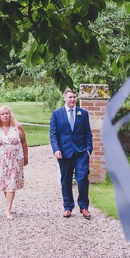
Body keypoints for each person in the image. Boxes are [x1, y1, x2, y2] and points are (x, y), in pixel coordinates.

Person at [49, 88, 93, 218]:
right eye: (70, 97)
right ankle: (68, 207)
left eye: (74, 97)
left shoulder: (83, 113)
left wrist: (88, 150)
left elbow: (88, 133)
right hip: (64, 153)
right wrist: (56, 149)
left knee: (82, 178)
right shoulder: (56, 114)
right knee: (66, 180)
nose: (73, 99)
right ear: (64, 98)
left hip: (81, 153)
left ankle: (84, 207)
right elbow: (53, 134)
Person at [0, 105, 29, 219]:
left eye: (7, 113)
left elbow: (24, 143)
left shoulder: (17, 127)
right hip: (1, 161)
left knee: (11, 183)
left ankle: (8, 210)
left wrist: (26, 157)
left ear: (10, 115)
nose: (5, 115)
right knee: (4, 184)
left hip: (15, 160)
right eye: (3, 114)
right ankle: (9, 204)